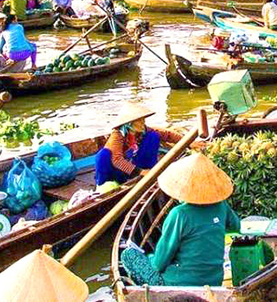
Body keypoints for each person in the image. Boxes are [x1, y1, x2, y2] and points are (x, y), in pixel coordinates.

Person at [121, 153, 240, 287]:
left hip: (178, 283)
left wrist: (149, 258)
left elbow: (158, 264)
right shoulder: (221, 205)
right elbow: (236, 227)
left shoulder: (179, 214)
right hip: (214, 281)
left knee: (128, 254)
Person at [93, 103, 182, 186]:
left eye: (143, 119)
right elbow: (117, 160)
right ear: (129, 123)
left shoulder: (142, 130)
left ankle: (149, 170)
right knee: (103, 155)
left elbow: (166, 134)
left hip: (132, 165)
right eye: (139, 121)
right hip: (116, 171)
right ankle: (103, 184)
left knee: (153, 135)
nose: (143, 122)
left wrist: (188, 142)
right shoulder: (118, 134)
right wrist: (141, 172)